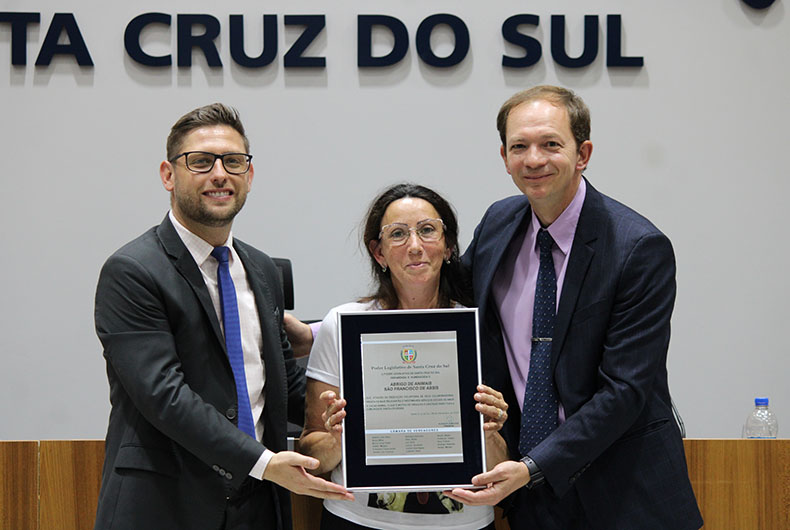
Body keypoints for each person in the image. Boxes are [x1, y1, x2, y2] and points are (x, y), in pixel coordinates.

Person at [444, 86, 703, 529]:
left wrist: (533, 467)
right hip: (532, 500)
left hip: (626, 495)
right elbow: (443, 306)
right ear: (504, 157)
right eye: (519, 147)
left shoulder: (638, 248)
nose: (533, 160)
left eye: (550, 144)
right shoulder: (497, 225)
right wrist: (332, 336)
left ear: (583, 154)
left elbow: (625, 390)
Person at [93, 103, 351, 530]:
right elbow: (164, 396)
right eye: (201, 161)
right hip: (166, 505)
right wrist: (263, 462)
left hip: (259, 506)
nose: (219, 174)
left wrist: (351, 404)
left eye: (233, 161)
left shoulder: (263, 270)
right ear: (168, 174)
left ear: (249, 175)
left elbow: (280, 384)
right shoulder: (132, 271)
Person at [298, 183, 509, 530]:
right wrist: (339, 441)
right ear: (378, 252)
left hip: (463, 523)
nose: (414, 246)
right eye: (397, 234)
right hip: (358, 520)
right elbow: (312, 457)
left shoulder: (479, 329)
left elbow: (499, 465)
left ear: (448, 246)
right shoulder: (342, 325)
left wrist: (486, 432)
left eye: (427, 230)